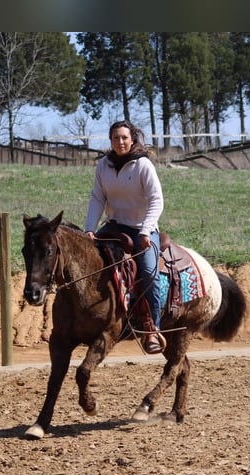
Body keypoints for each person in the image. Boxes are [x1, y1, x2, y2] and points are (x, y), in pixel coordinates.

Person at [85, 120, 166, 354]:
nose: (120, 142)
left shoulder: (143, 165)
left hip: (143, 229)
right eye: (115, 138)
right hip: (113, 227)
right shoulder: (104, 165)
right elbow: (97, 198)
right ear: (110, 141)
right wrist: (90, 228)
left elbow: (156, 200)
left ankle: (152, 329)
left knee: (149, 273)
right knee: (89, 264)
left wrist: (146, 229)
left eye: (124, 137)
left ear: (132, 139)